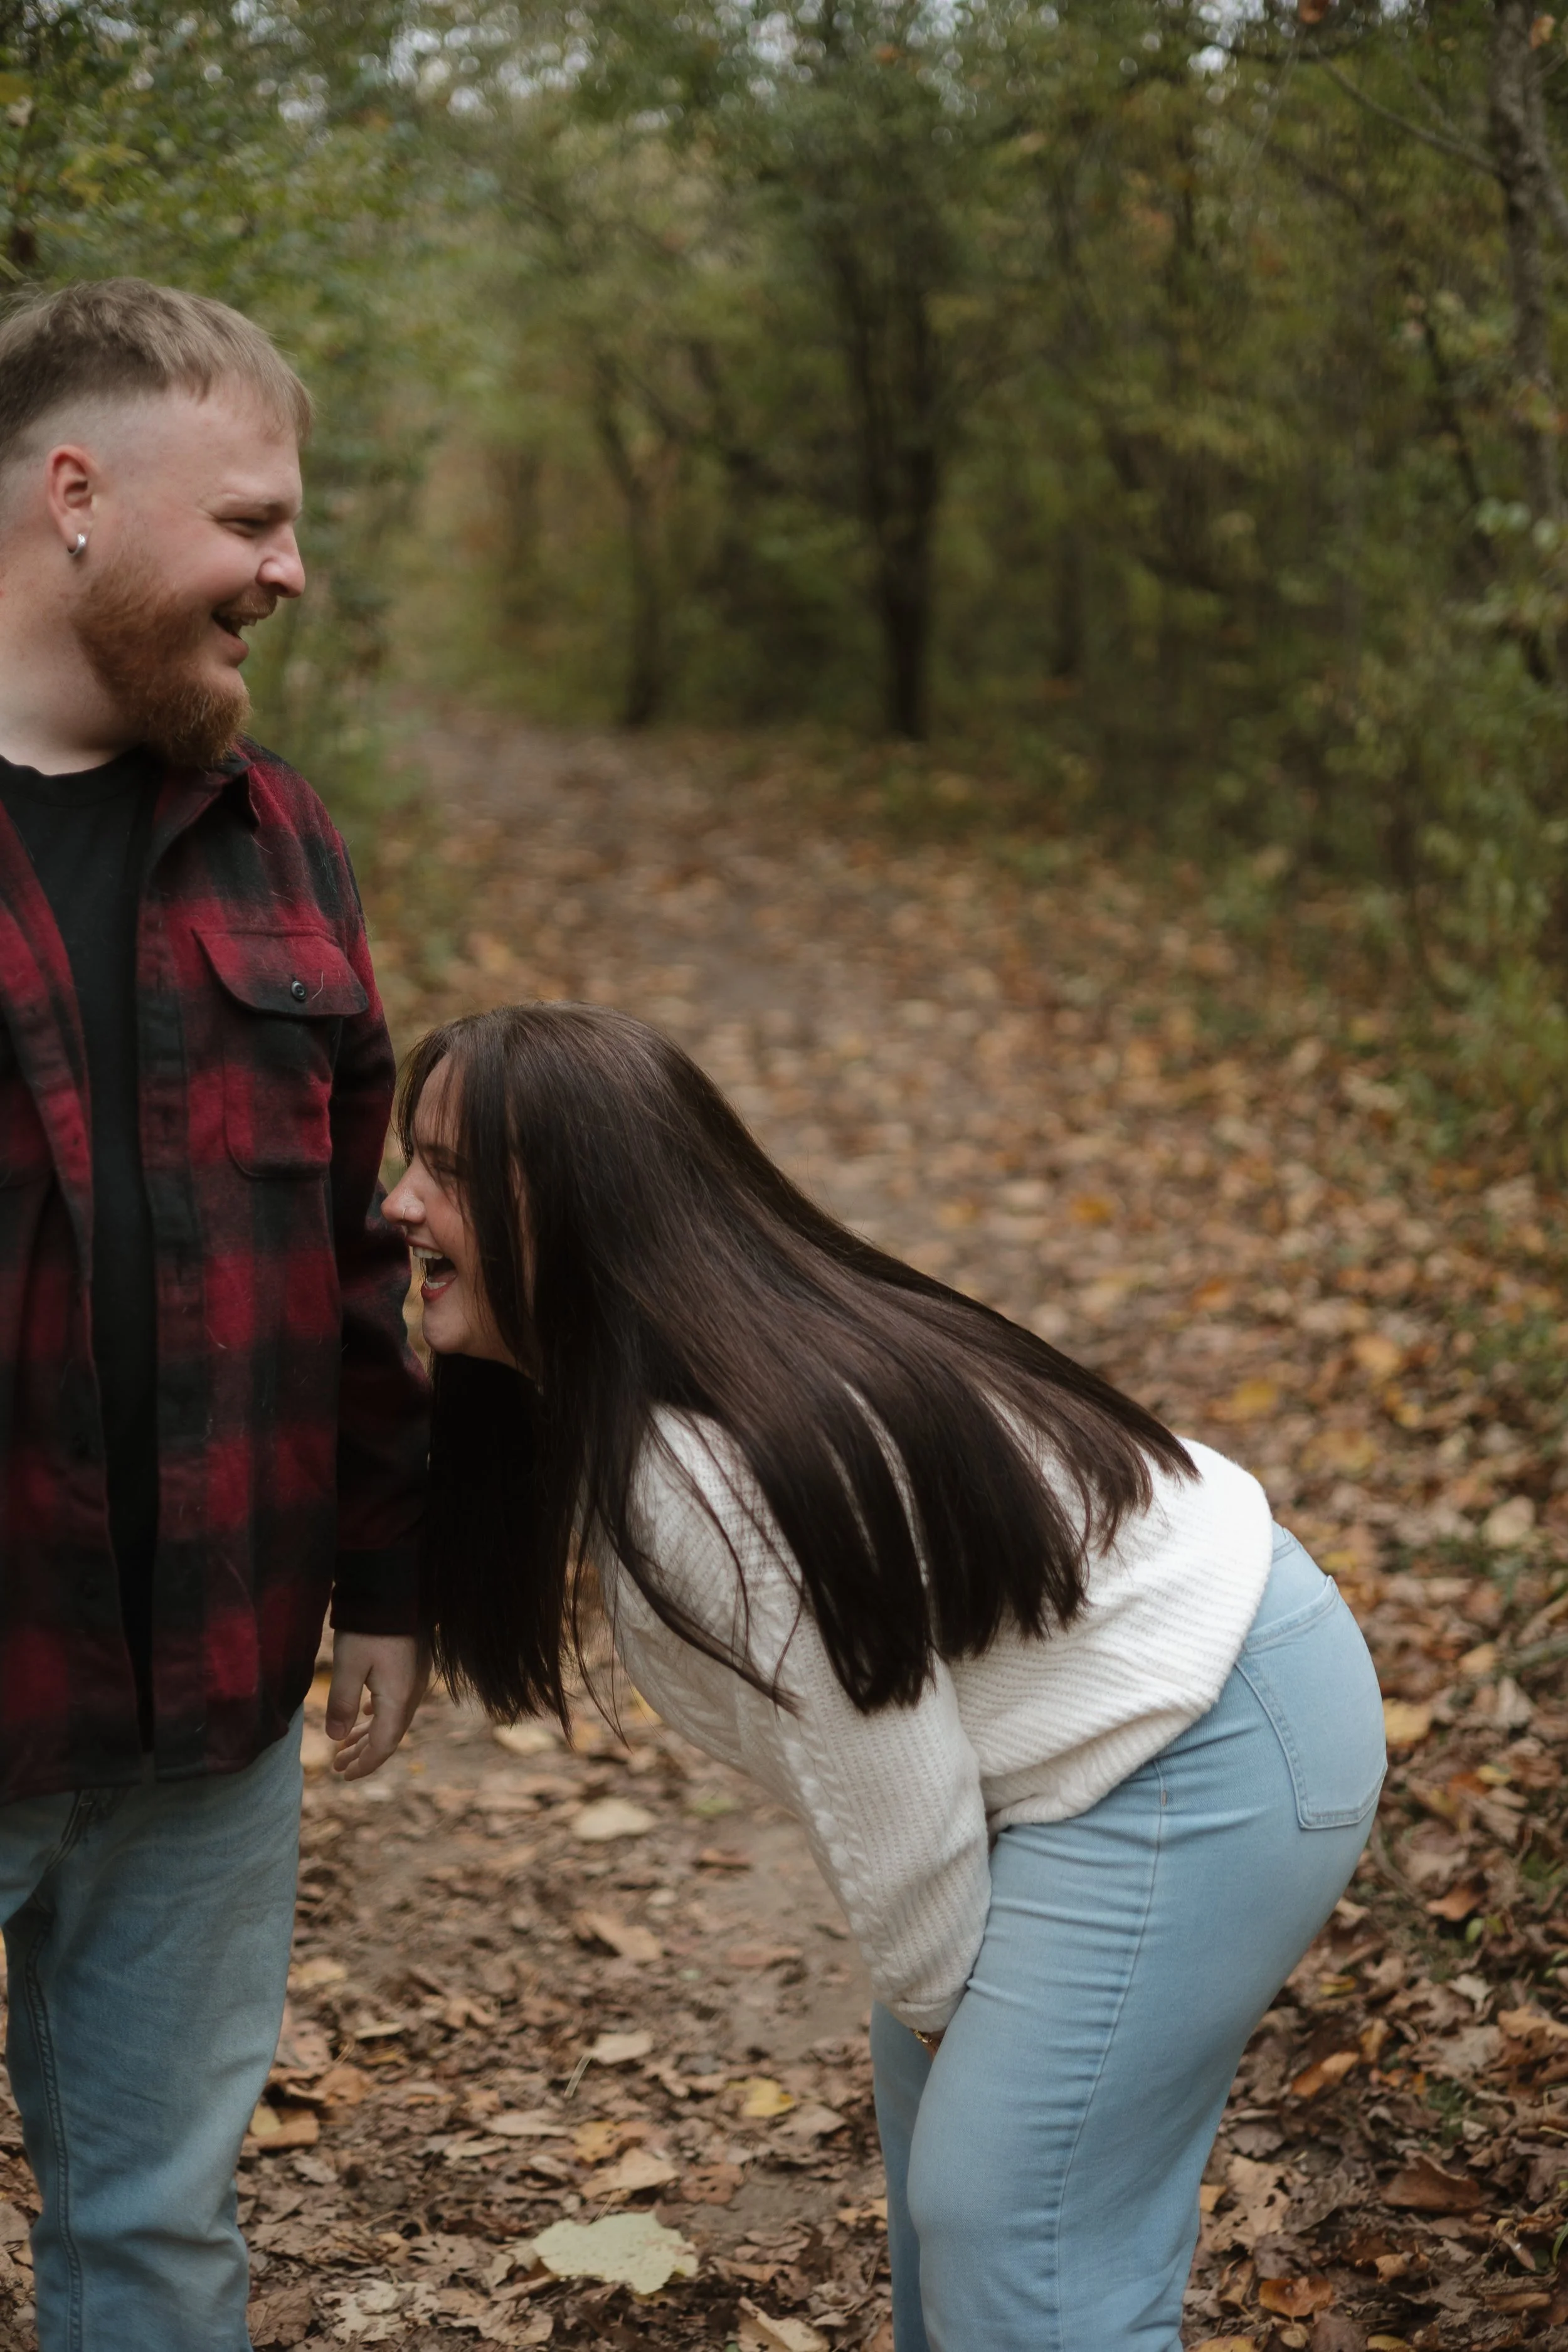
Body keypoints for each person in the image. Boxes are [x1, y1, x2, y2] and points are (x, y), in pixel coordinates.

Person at [384, 999, 1387, 2352]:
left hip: (1207, 1737)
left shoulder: (703, 1466)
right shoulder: (649, 1395)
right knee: (962, 2199)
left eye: (442, 1169)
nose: (397, 1203)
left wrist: (941, 2022)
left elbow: (886, 1783)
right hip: (1123, 1729)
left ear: (567, 1204)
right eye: (410, 1158)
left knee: (1002, 2218)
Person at [0, 278, 429, 2350]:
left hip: (212, 1714)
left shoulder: (288, 851)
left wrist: (394, 1574)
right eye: (251, 521)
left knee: (159, 2242)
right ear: (76, 495)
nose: (291, 569)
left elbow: (373, 1257)